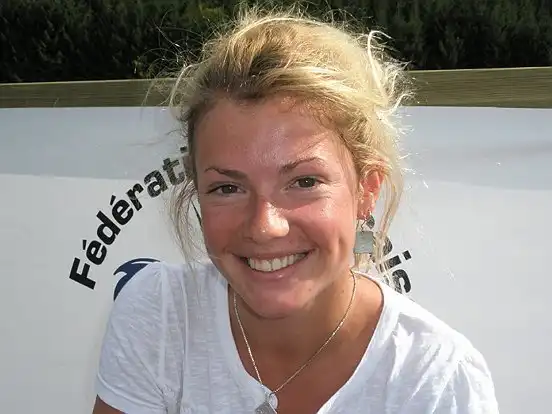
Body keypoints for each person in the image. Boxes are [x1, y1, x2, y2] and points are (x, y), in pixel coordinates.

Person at [92, 6, 499, 414]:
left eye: (304, 182)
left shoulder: (437, 380)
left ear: (366, 191)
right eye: (228, 188)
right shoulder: (160, 314)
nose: (264, 226)